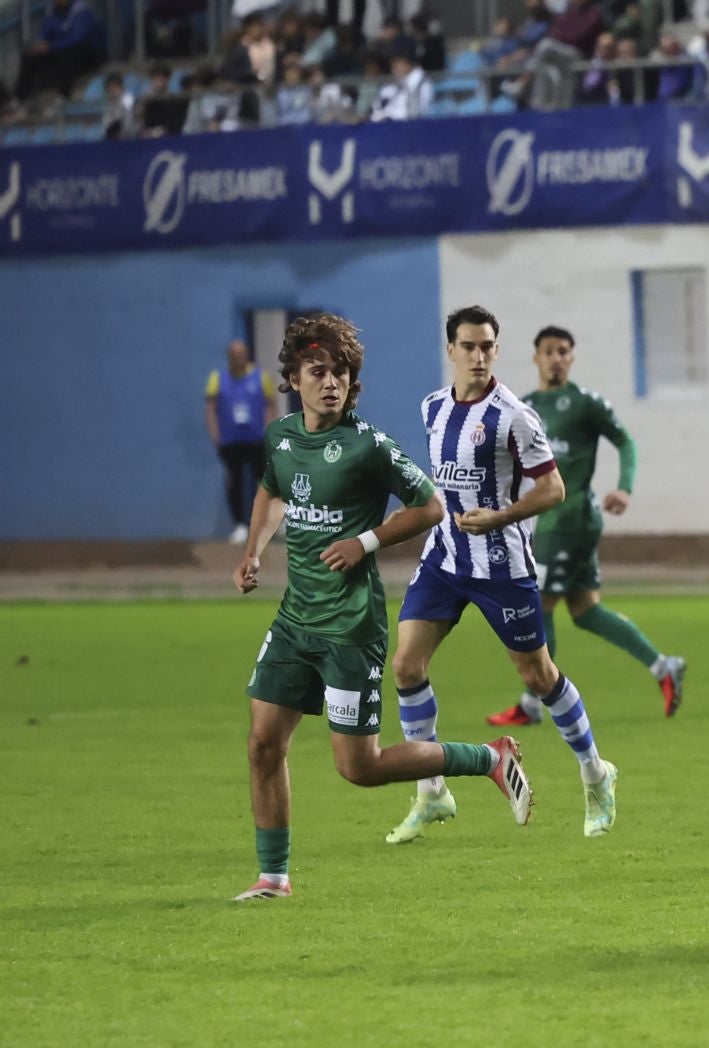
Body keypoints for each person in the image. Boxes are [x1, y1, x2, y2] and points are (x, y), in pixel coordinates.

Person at [232, 314, 532, 902]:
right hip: (296, 621)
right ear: (293, 377)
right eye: (318, 371)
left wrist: (364, 542)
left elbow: (430, 506)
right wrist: (253, 552)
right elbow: (272, 488)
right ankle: (273, 878)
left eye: (341, 372)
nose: (331, 382)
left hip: (349, 627)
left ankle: (486, 758)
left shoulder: (367, 445)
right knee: (263, 742)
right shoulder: (282, 437)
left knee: (359, 768)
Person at [387, 306, 621, 844]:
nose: (478, 355)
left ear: (496, 349)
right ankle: (431, 792)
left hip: (503, 566)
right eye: (468, 346)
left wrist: (500, 516)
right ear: (450, 350)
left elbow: (553, 489)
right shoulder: (432, 408)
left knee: (538, 677)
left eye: (487, 346)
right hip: (445, 558)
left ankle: (595, 773)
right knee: (405, 664)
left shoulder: (514, 415)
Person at [486, 326, 686, 728]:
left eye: (564, 351)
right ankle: (663, 666)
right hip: (551, 520)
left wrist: (625, 487)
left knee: (539, 603)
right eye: (549, 351)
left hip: (572, 518)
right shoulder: (522, 408)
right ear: (535, 357)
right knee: (585, 609)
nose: (556, 357)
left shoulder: (585, 404)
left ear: (572, 358)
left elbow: (625, 441)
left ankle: (532, 701)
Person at [208, 340, 272, 543]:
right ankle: (240, 525)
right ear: (229, 357)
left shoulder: (261, 377)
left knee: (263, 483)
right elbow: (210, 408)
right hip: (230, 442)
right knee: (234, 484)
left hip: (256, 440)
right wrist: (216, 435)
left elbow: (271, 405)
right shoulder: (218, 379)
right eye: (235, 355)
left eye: (242, 354)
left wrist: (269, 431)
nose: (239, 358)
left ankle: (265, 525)